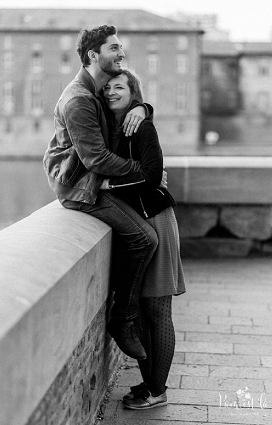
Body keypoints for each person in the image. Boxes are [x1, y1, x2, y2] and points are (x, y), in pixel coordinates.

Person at [43, 25, 157, 361]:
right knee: (144, 239)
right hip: (80, 187)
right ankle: (121, 319)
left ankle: (127, 313)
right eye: (114, 48)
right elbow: (96, 159)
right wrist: (145, 173)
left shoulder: (97, 89)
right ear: (94, 55)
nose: (121, 54)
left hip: (94, 179)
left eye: (121, 48)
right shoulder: (79, 100)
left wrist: (143, 108)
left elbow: (127, 99)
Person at [101, 68, 186, 410]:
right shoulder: (116, 124)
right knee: (141, 312)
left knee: (157, 310)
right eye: (106, 87)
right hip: (139, 220)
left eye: (118, 87)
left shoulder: (142, 125)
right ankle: (151, 384)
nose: (111, 92)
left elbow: (152, 177)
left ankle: (158, 390)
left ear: (132, 92)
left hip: (157, 220)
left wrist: (110, 187)